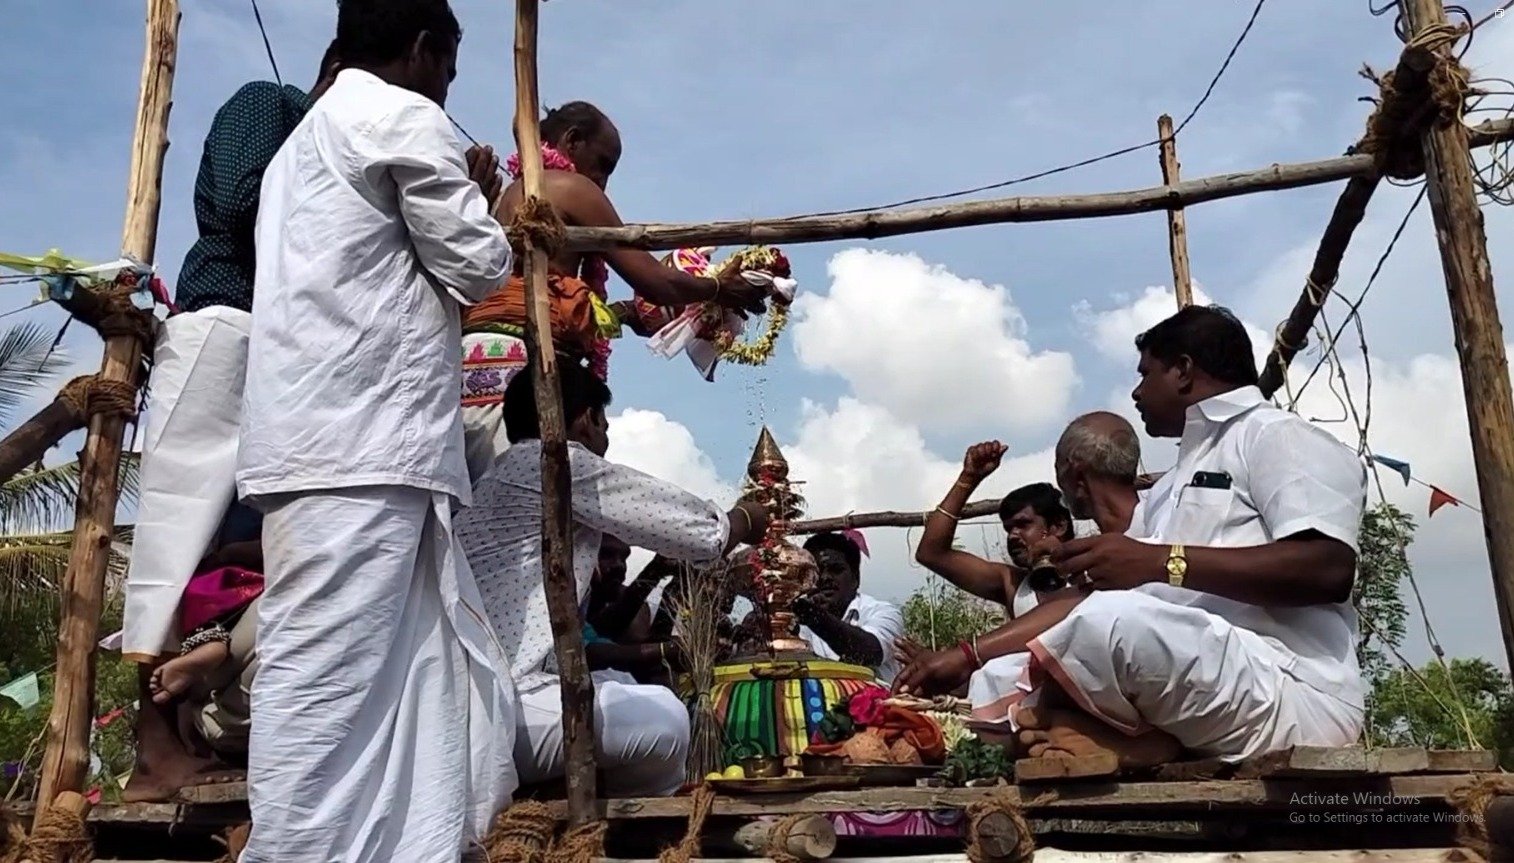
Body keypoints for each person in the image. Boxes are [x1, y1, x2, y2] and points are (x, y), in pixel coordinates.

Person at [234, 2, 517, 860]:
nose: (447, 88)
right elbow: (479, 264)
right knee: (327, 686)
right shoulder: (399, 115)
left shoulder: (301, 145)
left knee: (401, 683)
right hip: (363, 444)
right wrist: (487, 197)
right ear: (426, 50)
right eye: (449, 68)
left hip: (322, 441)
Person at [903, 306, 1368, 768]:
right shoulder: (1169, 486)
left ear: (1183, 371)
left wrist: (1162, 562)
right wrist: (969, 655)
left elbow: (1327, 569)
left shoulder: (1276, 436)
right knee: (1000, 676)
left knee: (1114, 622)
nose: (1137, 391)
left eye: (1146, 374)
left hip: (1291, 692)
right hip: (1205, 681)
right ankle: (1145, 743)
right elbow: (1085, 599)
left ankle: (1141, 743)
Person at [119, 45, 342, 804]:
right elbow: (248, 201)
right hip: (224, 319)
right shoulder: (269, 104)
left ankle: (186, 731)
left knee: (232, 545)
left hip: (275, 342)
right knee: (172, 541)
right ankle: (151, 748)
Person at [456, 362, 770, 797]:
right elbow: (700, 534)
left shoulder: (493, 479)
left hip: (478, 696)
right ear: (587, 420)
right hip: (501, 705)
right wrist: (747, 519)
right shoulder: (556, 463)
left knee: (623, 689)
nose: (606, 439)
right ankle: (638, 834)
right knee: (666, 719)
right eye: (604, 424)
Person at [458, 100, 774, 481]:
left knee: (490, 512)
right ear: (572, 143)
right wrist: (718, 288)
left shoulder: (507, 197)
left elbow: (550, 292)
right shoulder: (568, 188)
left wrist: (624, 313)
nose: (604, 183)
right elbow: (656, 282)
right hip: (525, 372)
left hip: (474, 372)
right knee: (536, 512)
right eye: (603, 165)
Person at [958, 412, 1143, 726]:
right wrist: (967, 481)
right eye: (1008, 529)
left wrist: (966, 655)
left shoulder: (1120, 554)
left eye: (1023, 525)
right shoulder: (1017, 584)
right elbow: (931, 553)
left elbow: (1088, 604)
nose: (1014, 535)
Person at [781, 532, 905, 684]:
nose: (825, 578)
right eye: (817, 571)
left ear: (855, 579)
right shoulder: (796, 620)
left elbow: (868, 652)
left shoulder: (883, 612)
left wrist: (817, 618)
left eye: (836, 570)